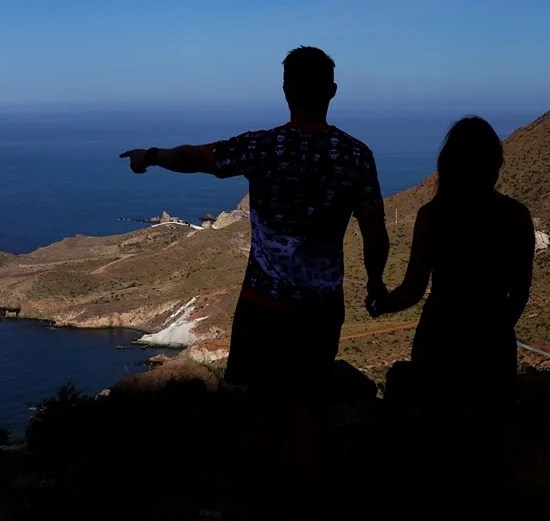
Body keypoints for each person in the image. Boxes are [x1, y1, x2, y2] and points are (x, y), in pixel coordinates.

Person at [121, 46, 390, 520]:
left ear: (285, 90)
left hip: (262, 307)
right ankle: (307, 504)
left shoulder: (265, 146)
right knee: (308, 408)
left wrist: (151, 156)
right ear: (331, 91)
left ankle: (258, 505)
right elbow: (375, 232)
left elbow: (196, 158)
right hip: (321, 310)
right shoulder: (355, 156)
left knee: (262, 410)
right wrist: (374, 285)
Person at [367, 116, 535, 509]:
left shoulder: (434, 215)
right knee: (489, 441)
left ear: (449, 163)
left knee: (439, 439)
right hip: (493, 338)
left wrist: (380, 302)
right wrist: (497, 327)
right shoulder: (515, 216)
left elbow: (412, 289)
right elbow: (521, 291)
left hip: (439, 336)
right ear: (494, 164)